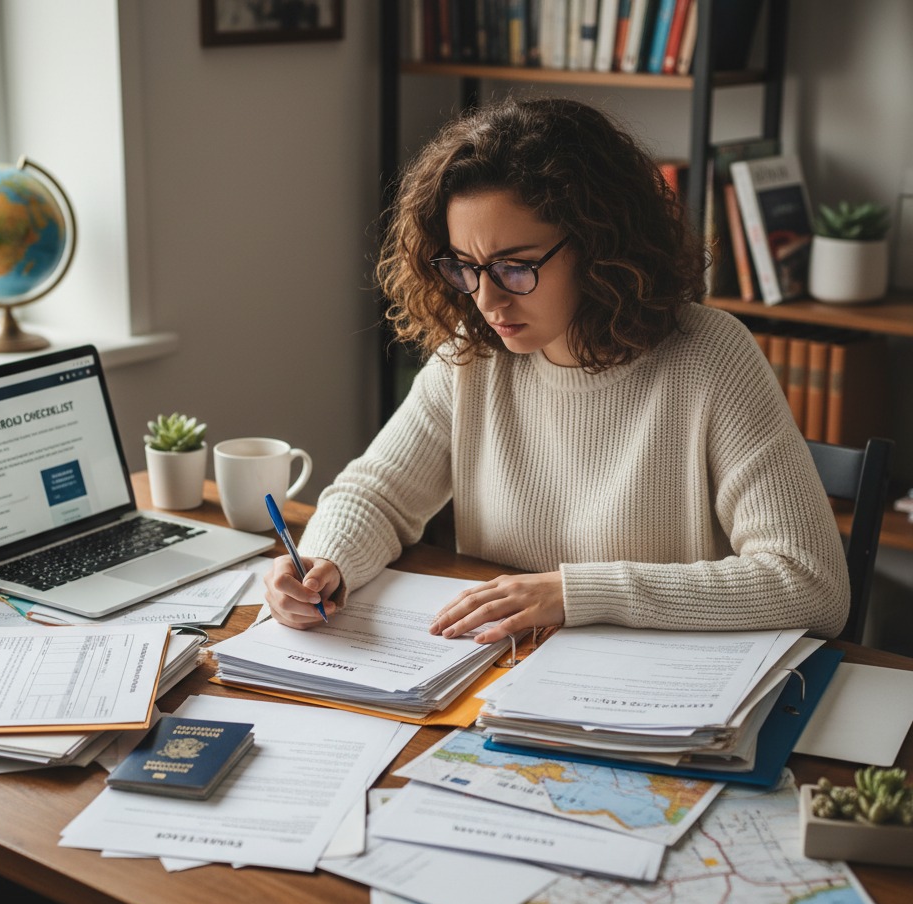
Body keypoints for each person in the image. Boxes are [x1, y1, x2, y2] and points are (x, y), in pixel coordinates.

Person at [264, 97, 849, 643]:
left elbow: (811, 583)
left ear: (601, 248)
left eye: (515, 268)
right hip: (503, 673)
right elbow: (377, 496)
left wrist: (577, 592)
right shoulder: (476, 355)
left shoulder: (711, 357)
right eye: (464, 267)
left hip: (654, 693)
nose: (486, 302)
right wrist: (323, 562)